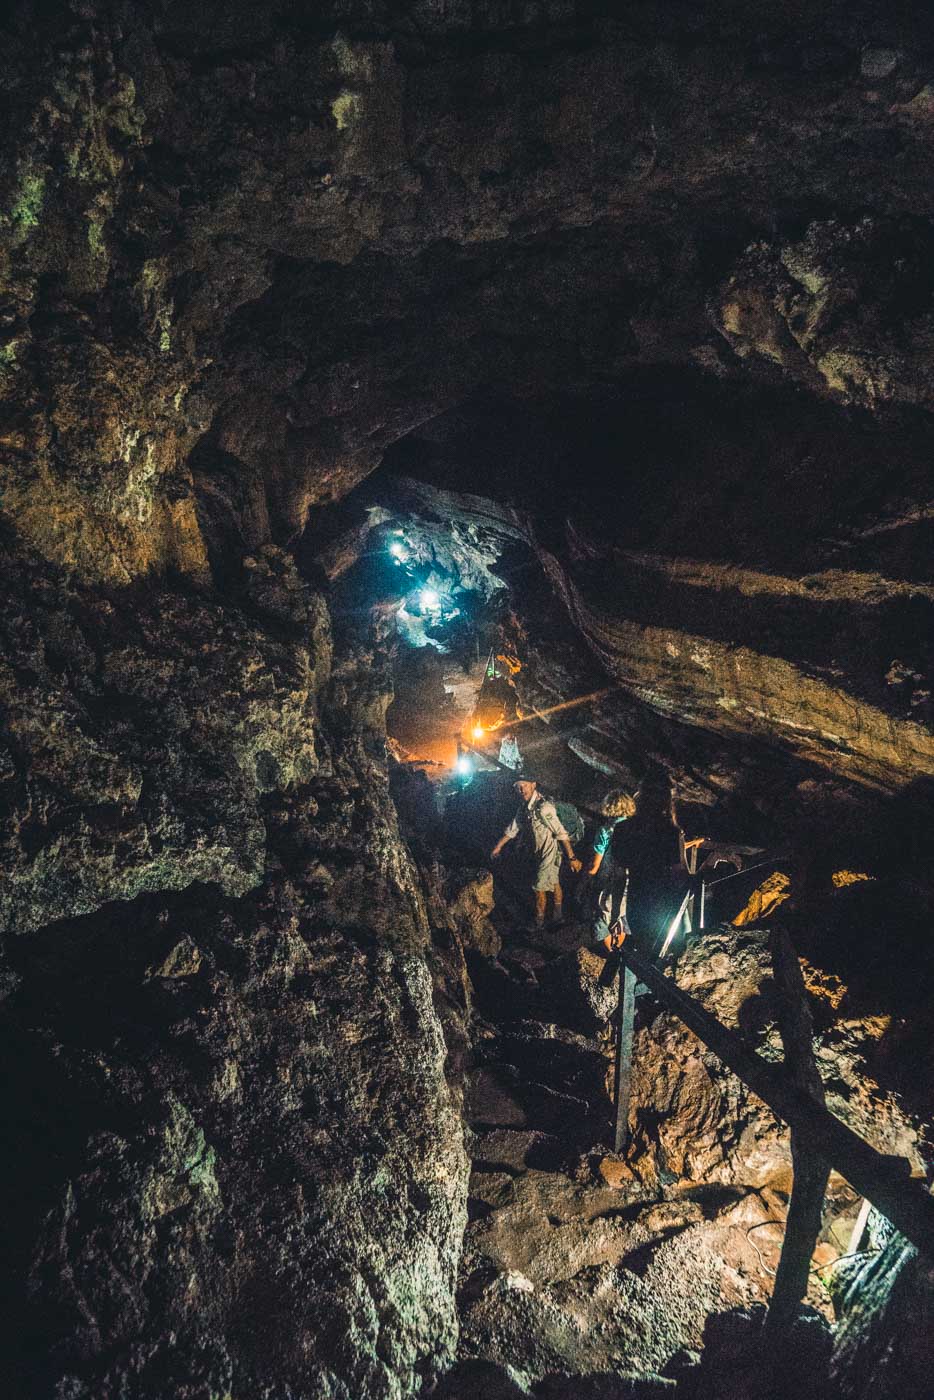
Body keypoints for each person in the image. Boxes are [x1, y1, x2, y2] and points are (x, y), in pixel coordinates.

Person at [591, 773, 689, 954]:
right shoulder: (669, 832)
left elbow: (619, 876)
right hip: (664, 905)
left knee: (643, 950)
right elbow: (680, 876)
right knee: (669, 955)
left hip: (636, 904)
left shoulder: (622, 829)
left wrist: (615, 916)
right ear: (666, 800)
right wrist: (706, 868)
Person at [491, 777, 583, 929]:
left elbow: (561, 832)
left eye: (525, 786)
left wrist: (572, 857)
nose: (522, 790)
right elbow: (513, 829)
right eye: (518, 787)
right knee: (554, 883)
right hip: (539, 853)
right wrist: (498, 847)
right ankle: (558, 916)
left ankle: (538, 922)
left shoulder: (544, 807)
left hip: (550, 853)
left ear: (533, 785)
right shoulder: (524, 808)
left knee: (538, 888)